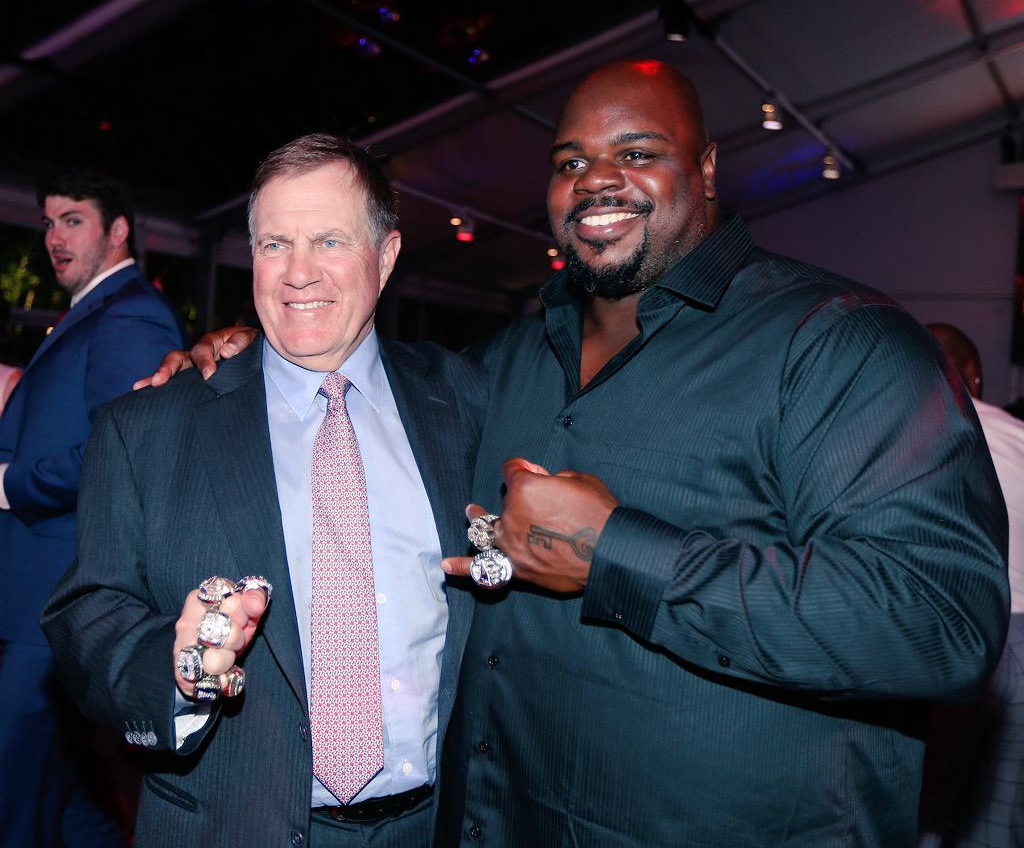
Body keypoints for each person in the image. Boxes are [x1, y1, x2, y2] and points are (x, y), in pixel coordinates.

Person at [145, 61, 1009, 847]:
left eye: (637, 151)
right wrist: (244, 365)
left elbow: (940, 624)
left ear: (706, 168)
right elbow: (354, 402)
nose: (597, 178)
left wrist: (618, 551)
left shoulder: (836, 345)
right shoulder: (498, 367)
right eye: (569, 162)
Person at [42, 135, 484, 848]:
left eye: (330, 240)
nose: (298, 274)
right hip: (231, 825)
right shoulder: (145, 429)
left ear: (389, 254)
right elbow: (86, 613)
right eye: (276, 243)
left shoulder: (463, 400)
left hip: (439, 825)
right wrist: (180, 667)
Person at [0, 169, 185, 847]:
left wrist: (8, 484)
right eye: (47, 223)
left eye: (72, 219)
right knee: (66, 795)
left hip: (55, 601)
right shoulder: (95, 312)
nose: (53, 237)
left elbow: (120, 448)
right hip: (38, 600)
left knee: (14, 797)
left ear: (117, 231)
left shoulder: (130, 312)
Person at [919, 323, 1024, 847]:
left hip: (949, 624)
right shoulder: (1016, 434)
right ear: (976, 376)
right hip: (1019, 628)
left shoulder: (910, 432)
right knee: (1000, 809)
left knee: (929, 797)